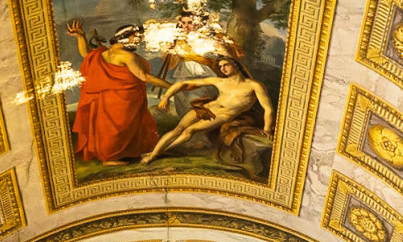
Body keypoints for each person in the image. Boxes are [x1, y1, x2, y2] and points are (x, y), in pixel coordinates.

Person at [66, 20, 170, 165]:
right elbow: (144, 76)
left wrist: (80, 37)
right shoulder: (127, 56)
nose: (138, 42)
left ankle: (124, 152)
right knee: (119, 127)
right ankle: (109, 157)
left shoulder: (105, 52)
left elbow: (86, 54)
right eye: (136, 37)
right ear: (125, 37)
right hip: (122, 99)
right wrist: (172, 86)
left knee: (117, 127)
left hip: (109, 98)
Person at [141, 55, 274, 165]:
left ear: (236, 66)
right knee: (178, 129)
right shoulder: (219, 81)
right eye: (221, 67)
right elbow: (182, 84)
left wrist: (267, 128)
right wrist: (166, 97)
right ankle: (155, 153)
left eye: (225, 65)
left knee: (190, 130)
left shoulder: (254, 86)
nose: (223, 69)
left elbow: (268, 108)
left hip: (224, 115)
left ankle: (155, 154)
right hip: (206, 108)